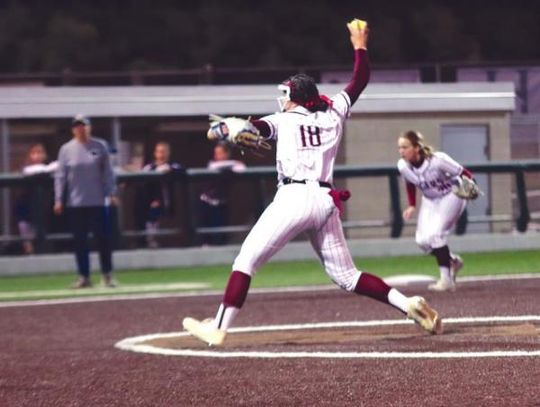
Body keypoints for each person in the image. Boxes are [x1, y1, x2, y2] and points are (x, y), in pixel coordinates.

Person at [183, 21, 442, 346]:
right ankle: (409, 304)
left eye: (286, 95)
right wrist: (359, 44)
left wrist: (226, 128)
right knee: (347, 276)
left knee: (245, 261)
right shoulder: (332, 112)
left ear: (296, 98)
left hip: (293, 198)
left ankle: (218, 326)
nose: (283, 100)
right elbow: (360, 80)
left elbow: (231, 131)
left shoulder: (283, 120)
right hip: (324, 200)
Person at [397, 130, 474, 292]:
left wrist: (470, 184)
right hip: (430, 199)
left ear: (417, 148)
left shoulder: (438, 161)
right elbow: (410, 183)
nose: (401, 151)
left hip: (451, 195)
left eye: (405, 147)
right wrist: (412, 205)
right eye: (400, 148)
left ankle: (446, 281)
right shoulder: (403, 166)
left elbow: (464, 173)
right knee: (423, 241)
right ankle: (452, 261)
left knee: (436, 235)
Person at [54, 114, 117, 288]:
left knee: (103, 239)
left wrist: (111, 193)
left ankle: (107, 275)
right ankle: (84, 276)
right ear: (73, 129)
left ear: (89, 127)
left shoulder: (100, 146)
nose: (81, 129)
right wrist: (58, 199)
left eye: (84, 125)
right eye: (77, 126)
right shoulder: (66, 150)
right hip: (76, 203)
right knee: (80, 241)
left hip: (98, 201)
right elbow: (60, 176)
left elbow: (108, 173)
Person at [199, 141, 246, 245]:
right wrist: (233, 163)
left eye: (220, 153)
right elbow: (213, 167)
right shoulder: (213, 163)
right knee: (206, 234)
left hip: (221, 204)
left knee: (221, 233)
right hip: (206, 202)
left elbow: (241, 168)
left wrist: (231, 165)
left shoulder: (230, 166)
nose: (217, 156)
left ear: (226, 154)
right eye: (216, 153)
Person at [15, 144, 58, 254]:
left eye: (40, 153)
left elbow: (56, 166)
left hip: (44, 206)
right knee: (25, 231)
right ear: (29, 155)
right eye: (34, 153)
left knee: (40, 232)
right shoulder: (26, 168)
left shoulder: (50, 167)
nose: (37, 156)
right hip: (25, 205)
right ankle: (29, 253)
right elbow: (29, 171)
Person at [141, 141, 182, 248]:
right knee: (152, 221)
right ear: (155, 153)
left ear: (168, 153)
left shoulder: (172, 166)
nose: (161, 154)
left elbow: (181, 170)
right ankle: (151, 242)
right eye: (159, 152)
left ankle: (171, 244)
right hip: (152, 202)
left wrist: (169, 169)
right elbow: (142, 178)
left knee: (168, 222)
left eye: (164, 152)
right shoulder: (150, 167)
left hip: (168, 201)